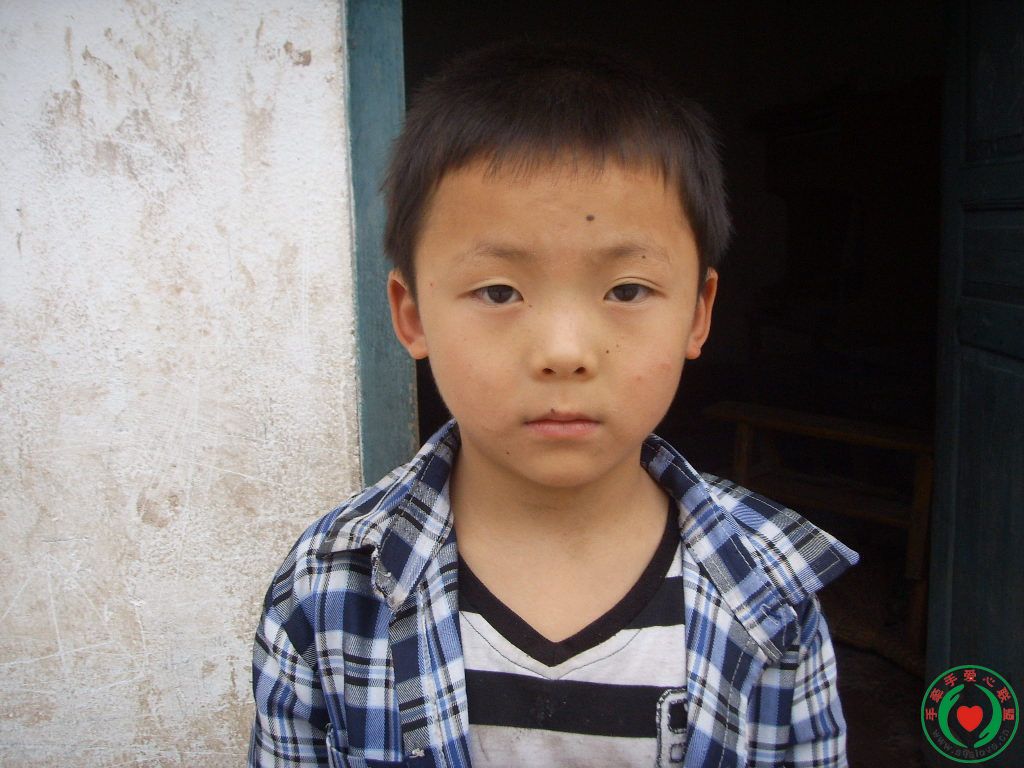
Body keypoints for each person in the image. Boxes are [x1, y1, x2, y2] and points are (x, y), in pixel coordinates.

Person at [249, 38, 859, 768]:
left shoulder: (774, 591)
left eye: (626, 290)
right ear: (411, 315)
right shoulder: (326, 590)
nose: (564, 351)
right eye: (498, 291)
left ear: (698, 314)